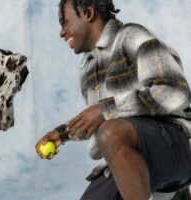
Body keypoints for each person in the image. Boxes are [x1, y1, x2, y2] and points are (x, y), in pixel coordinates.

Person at [35, 0, 191, 199]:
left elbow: (176, 91)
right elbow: (100, 120)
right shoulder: (89, 68)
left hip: (175, 148)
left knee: (111, 132)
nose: (62, 32)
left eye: (64, 22)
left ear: (88, 14)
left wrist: (105, 110)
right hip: (128, 159)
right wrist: (62, 134)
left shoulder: (131, 37)